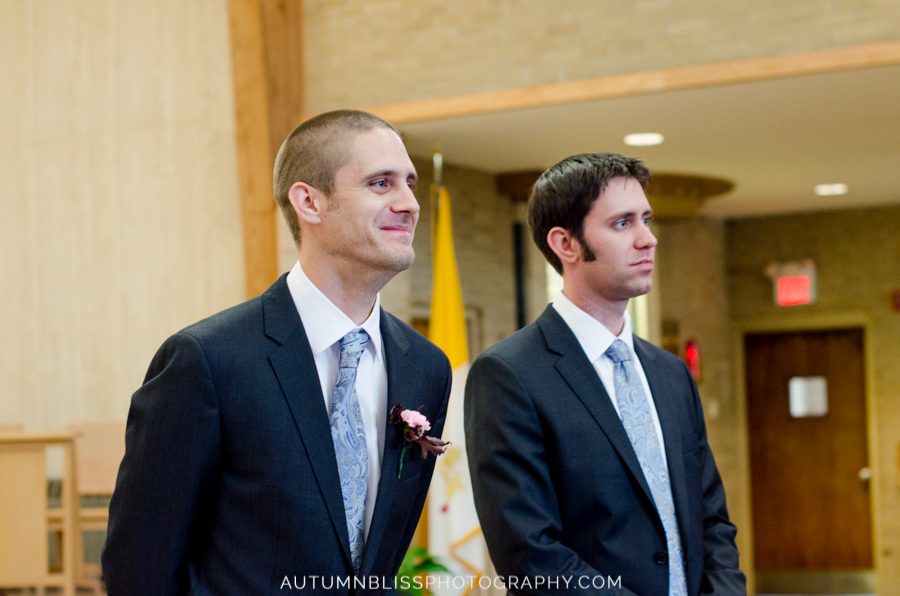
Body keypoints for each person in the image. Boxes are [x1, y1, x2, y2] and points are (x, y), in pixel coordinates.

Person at [103, 110, 452, 595]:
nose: (410, 204)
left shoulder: (426, 366)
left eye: (410, 183)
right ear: (309, 201)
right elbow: (141, 564)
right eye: (380, 183)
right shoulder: (206, 361)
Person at [465, 153, 746, 595]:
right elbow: (529, 551)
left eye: (647, 220)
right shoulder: (509, 374)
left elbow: (710, 519)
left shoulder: (671, 374)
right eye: (622, 224)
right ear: (566, 244)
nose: (648, 239)